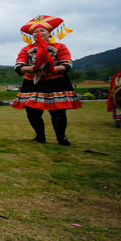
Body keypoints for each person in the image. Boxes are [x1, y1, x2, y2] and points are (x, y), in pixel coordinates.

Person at [12, 15, 81, 145]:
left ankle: (61, 137)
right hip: (32, 83)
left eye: (42, 30)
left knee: (58, 112)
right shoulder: (26, 49)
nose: (38, 33)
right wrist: (30, 68)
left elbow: (67, 64)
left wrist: (53, 68)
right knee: (32, 112)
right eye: (35, 32)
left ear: (50, 33)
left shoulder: (60, 47)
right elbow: (18, 66)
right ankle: (40, 136)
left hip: (56, 83)